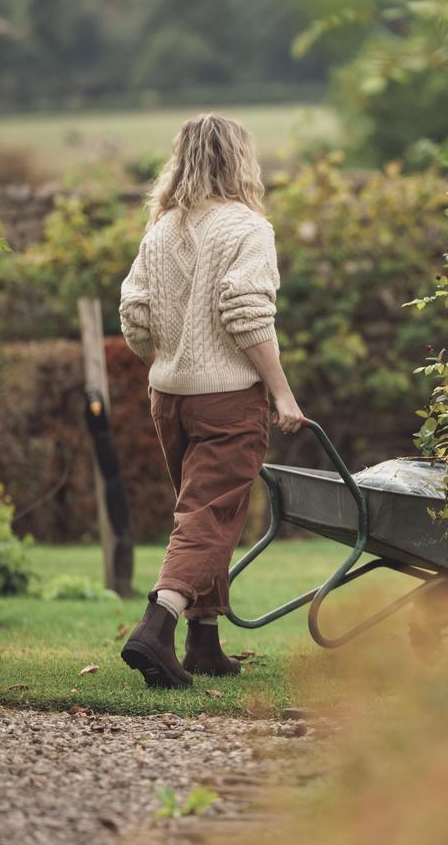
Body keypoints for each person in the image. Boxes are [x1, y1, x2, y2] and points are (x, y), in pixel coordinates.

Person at [118, 113, 305, 688]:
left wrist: (167, 358)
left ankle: (204, 644)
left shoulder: (162, 229)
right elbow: (247, 313)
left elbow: (134, 313)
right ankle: (156, 627)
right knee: (209, 517)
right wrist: (282, 392)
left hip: (168, 397)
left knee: (202, 515)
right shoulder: (248, 228)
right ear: (239, 159)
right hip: (227, 401)